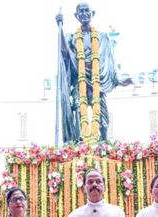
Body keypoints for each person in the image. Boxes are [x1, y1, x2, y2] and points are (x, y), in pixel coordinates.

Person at [56, 3, 132, 144]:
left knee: (103, 119)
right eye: (81, 12)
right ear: (76, 15)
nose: (84, 14)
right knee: (79, 114)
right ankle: (80, 146)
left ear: (93, 13)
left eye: (87, 11)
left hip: (99, 82)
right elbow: (64, 52)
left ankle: (103, 144)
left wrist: (119, 79)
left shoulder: (102, 37)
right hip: (80, 81)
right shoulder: (71, 37)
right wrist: (59, 29)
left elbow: (111, 61)